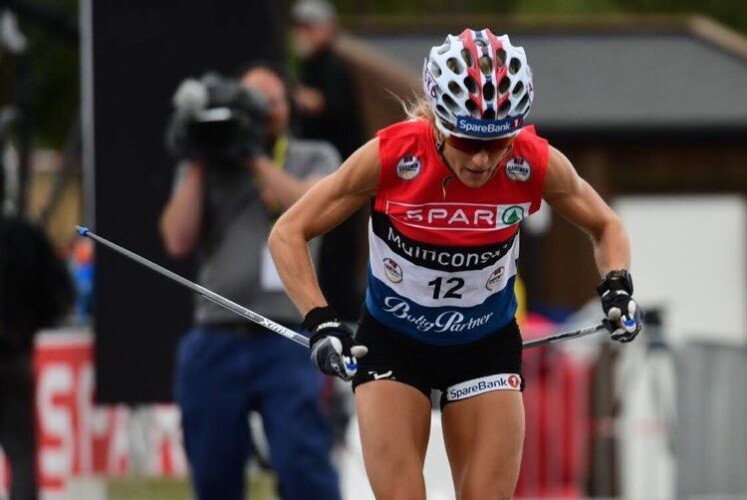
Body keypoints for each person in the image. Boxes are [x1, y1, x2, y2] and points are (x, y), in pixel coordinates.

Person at [269, 29, 643, 499]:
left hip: (484, 344)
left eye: (499, 141)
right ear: (441, 124)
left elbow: (606, 225)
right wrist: (320, 321)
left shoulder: (532, 161)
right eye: (467, 142)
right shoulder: (394, 155)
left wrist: (617, 286)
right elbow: (288, 232)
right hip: (393, 343)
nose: (483, 160)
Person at [160, 63, 342, 500]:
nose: (259, 116)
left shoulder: (313, 156)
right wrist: (199, 156)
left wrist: (255, 158)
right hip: (215, 335)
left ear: (287, 109)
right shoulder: (208, 164)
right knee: (213, 468)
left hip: (287, 333)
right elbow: (177, 238)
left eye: (269, 104)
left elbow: (313, 207)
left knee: (302, 461)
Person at [290, 0, 365, 322]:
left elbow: (333, 108)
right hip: (319, 177)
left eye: (309, 28)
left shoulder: (334, 66)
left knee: (337, 256)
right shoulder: (308, 67)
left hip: (340, 179)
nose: (303, 35)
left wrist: (298, 97)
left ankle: (339, 319)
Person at [0, 214, 73, 500]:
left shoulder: (24, 235)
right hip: (13, 354)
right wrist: (30, 324)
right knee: (22, 455)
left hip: (13, 353)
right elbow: (61, 294)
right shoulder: (26, 236)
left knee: (21, 454)